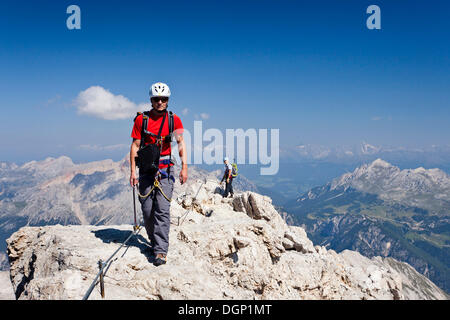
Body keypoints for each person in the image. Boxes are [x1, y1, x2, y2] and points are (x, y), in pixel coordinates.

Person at [129, 82, 188, 266]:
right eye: (157, 99)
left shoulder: (174, 120)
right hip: (146, 168)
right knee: (147, 210)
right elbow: (135, 146)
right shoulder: (141, 120)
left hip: (165, 167)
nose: (160, 102)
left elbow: (181, 143)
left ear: (168, 100)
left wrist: (184, 167)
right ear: (151, 100)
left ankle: (160, 251)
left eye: (163, 99)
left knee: (162, 210)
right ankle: (154, 242)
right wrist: (133, 171)